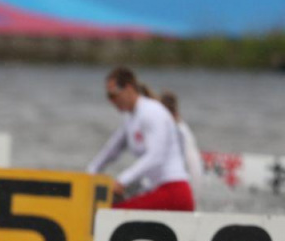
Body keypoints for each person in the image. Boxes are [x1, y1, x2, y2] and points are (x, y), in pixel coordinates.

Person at [87, 67, 195, 211]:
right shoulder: (130, 118)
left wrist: (122, 181)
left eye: (113, 95)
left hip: (174, 193)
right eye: (108, 97)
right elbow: (110, 151)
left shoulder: (151, 112)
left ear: (129, 88)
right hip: (159, 191)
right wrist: (89, 174)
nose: (112, 101)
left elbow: (156, 156)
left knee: (109, 213)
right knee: (106, 209)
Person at [160, 91, 204, 192]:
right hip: (189, 187)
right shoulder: (183, 128)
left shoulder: (179, 132)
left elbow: (193, 168)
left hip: (184, 188)